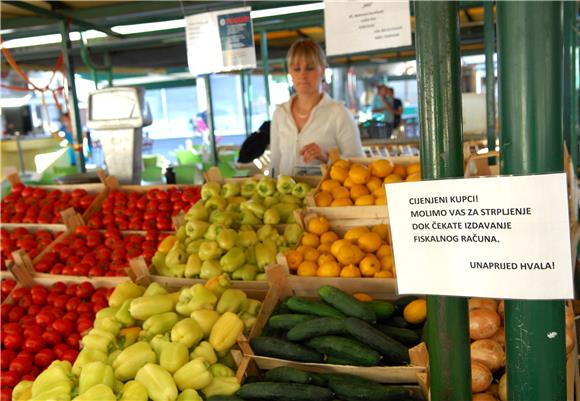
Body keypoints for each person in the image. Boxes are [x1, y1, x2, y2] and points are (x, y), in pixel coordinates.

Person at [269, 38, 363, 177]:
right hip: (286, 197)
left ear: (323, 70)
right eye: (296, 69)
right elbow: (275, 164)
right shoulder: (280, 113)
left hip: (327, 196)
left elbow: (359, 165)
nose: (303, 75)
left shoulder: (339, 113)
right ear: (290, 72)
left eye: (310, 68)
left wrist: (327, 158)